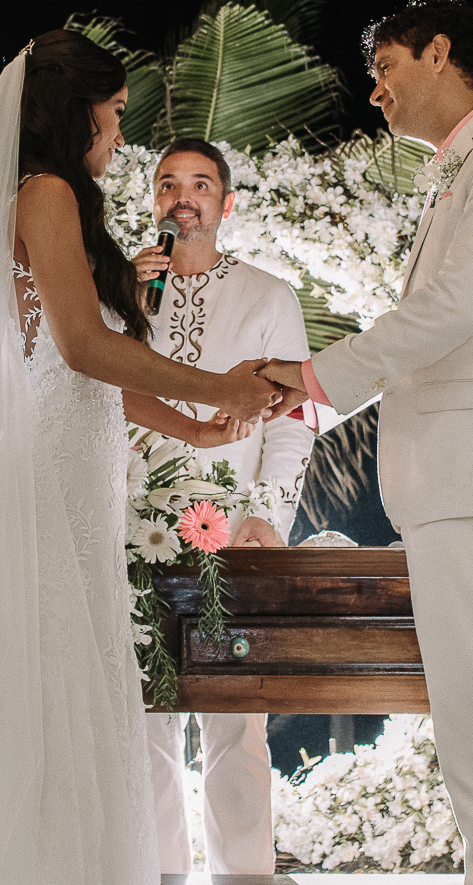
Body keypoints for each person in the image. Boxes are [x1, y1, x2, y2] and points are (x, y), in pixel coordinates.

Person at [0, 31, 280, 885]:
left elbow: (72, 365)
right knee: (53, 686)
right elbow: (79, 348)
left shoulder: (48, 198)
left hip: (73, 464)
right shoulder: (45, 195)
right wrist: (219, 385)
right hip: (50, 477)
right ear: (76, 113)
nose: (117, 138)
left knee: (71, 680)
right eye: (112, 118)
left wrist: (188, 428)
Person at [261, 0, 473, 885]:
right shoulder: (465, 165)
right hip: (455, 483)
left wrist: (317, 378)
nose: (377, 93)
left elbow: (452, 308)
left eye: (387, 68)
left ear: (441, 53)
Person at [132, 137, 314, 877]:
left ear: (227, 204)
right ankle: (158, 869)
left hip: (233, 527)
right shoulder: (122, 292)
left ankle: (243, 872)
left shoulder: (271, 296)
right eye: (170, 183)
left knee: (236, 712)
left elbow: (293, 420)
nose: (185, 197)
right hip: (133, 525)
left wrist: (268, 515)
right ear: (153, 201)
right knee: (144, 711)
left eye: (201, 185)